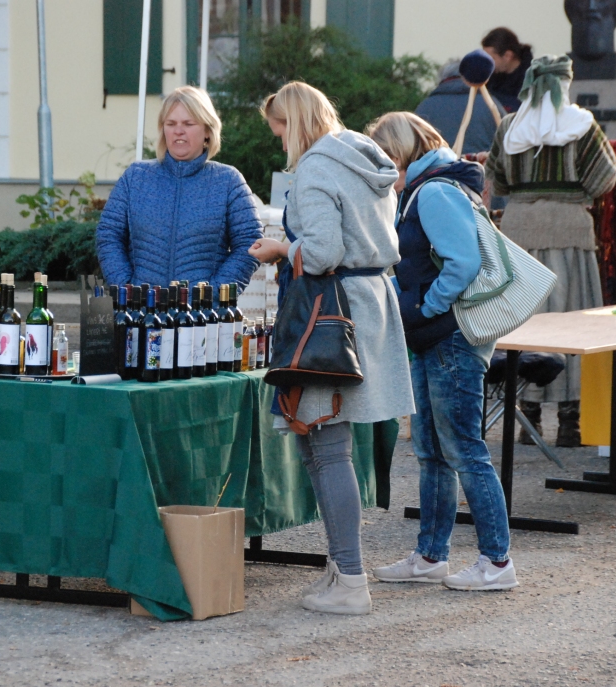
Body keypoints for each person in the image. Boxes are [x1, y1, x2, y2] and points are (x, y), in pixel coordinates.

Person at [249, 82, 414, 615]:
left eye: (278, 130)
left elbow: (321, 252)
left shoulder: (318, 168)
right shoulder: (368, 159)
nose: (279, 142)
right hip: (368, 303)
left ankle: (349, 579)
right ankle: (341, 571)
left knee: (326, 446)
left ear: (294, 123)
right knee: (324, 444)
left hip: (331, 313)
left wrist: (280, 247)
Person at [366, 111, 518, 591]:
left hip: (449, 337)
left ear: (401, 151)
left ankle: (497, 562)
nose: (383, 168)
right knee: (433, 450)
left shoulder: (432, 191)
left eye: (385, 156)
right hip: (434, 338)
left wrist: (430, 308)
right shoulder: (427, 187)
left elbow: (464, 261)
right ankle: (431, 555)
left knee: (463, 450)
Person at [485, 55, 616, 447]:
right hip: (569, 230)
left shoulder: (511, 127)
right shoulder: (583, 126)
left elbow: (499, 180)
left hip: (519, 231)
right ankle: (569, 422)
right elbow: (605, 178)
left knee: (522, 320)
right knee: (571, 322)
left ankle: (527, 416)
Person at [96, 86, 263, 292]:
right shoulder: (136, 177)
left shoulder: (228, 181)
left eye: (188, 123)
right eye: (171, 123)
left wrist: (215, 294)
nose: (178, 131)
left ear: (208, 132)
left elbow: (250, 244)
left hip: (202, 319)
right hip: (140, 314)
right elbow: (108, 235)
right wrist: (126, 288)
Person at [415, 53, 505, 156]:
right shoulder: (492, 104)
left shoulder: (425, 106)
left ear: (441, 78)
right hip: (483, 168)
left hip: (441, 170)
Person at [482, 27, 534, 113]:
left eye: (492, 59)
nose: (487, 63)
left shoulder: (533, 81)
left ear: (507, 56)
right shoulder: (488, 79)